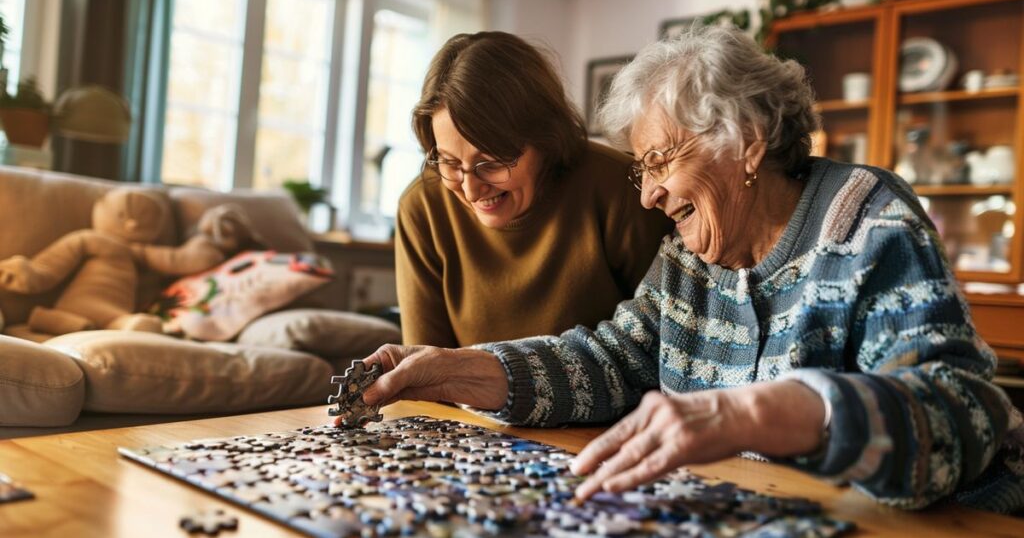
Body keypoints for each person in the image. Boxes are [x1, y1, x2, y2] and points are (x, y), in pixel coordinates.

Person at [351, 25, 1024, 513]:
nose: (644, 195)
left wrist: (762, 411)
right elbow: (610, 361)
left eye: (659, 162)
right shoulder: (690, 260)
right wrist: (460, 369)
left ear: (747, 143)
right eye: (639, 169)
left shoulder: (867, 222)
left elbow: (960, 416)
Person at [396, 31, 672, 348]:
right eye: (449, 162)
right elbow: (424, 366)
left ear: (545, 138)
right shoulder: (423, 207)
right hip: (462, 400)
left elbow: (663, 348)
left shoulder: (623, 189)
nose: (471, 190)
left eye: (491, 162)